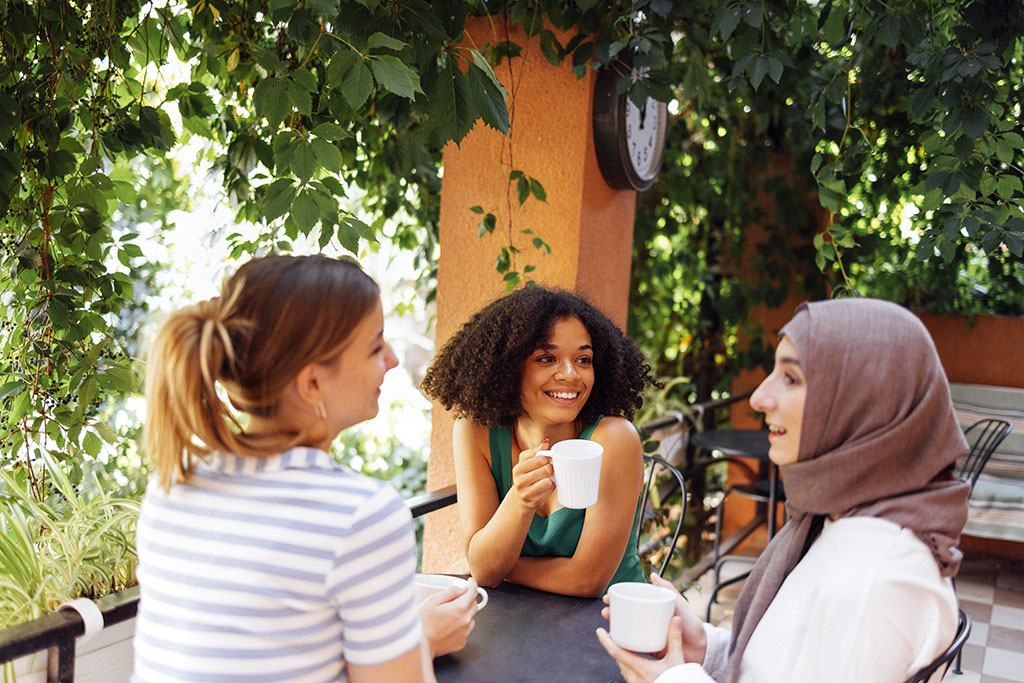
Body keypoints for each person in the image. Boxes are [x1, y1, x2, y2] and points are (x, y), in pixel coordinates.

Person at [133, 254, 477, 683]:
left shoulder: (171, 486)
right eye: (375, 346)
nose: (390, 359)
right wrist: (418, 640)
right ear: (312, 384)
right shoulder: (360, 515)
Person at [597, 298, 970, 683]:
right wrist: (706, 648)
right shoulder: (843, 523)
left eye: (791, 378)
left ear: (863, 402)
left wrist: (673, 679)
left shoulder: (874, 581)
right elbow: (786, 665)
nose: (759, 397)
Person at [420, 286, 661, 597]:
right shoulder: (474, 431)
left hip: (612, 626)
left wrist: (497, 568)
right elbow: (483, 569)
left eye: (584, 359)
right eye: (547, 358)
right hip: (523, 623)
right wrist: (520, 501)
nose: (571, 374)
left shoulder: (614, 439)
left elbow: (588, 581)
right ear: (507, 366)